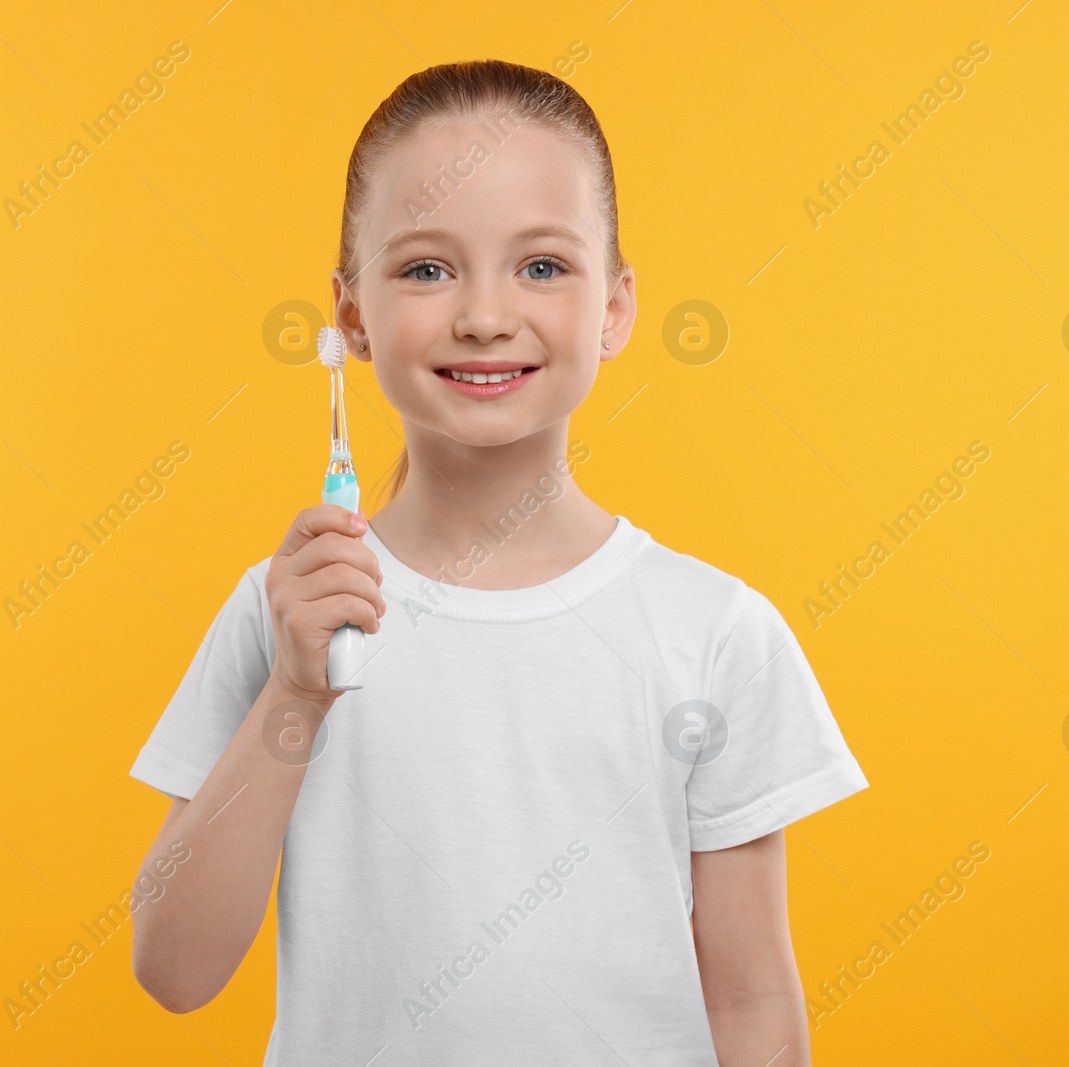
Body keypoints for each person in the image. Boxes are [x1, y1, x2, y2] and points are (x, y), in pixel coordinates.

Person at [128, 58, 868, 1066]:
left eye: (542, 265)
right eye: (427, 268)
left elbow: (750, 1000)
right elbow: (174, 969)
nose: (483, 314)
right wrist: (295, 693)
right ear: (348, 315)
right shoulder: (289, 616)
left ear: (614, 306)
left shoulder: (712, 632)